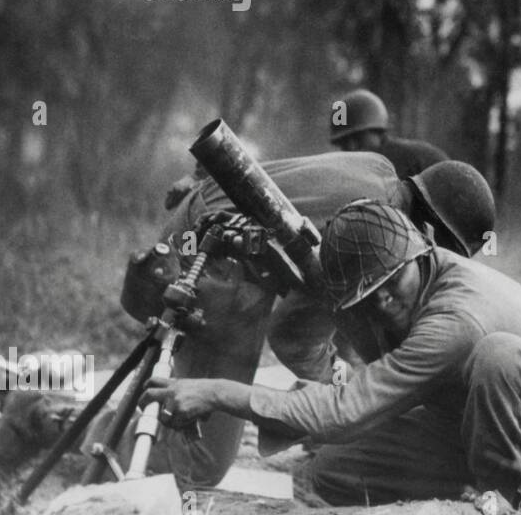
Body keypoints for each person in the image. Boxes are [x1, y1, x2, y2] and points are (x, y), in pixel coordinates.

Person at [142, 201, 521, 515]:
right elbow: (337, 383)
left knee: (499, 356)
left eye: (393, 282)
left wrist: (216, 391)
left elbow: (346, 409)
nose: (386, 301)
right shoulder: (400, 296)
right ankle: (478, 489)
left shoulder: (456, 317)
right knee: (332, 470)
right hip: (475, 421)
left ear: (419, 252)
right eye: (369, 295)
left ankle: (516, 508)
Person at [119, 156, 496, 488]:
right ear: (428, 233)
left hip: (207, 223)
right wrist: (343, 394)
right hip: (207, 258)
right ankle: (90, 441)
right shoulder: (367, 237)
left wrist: (346, 377)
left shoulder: (377, 170)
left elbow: (342, 319)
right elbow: (292, 337)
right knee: (202, 461)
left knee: (187, 409)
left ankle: (97, 424)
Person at [329, 88, 447, 178]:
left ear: (377, 132)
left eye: (357, 138)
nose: (351, 147)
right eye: (343, 143)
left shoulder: (403, 162)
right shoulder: (356, 171)